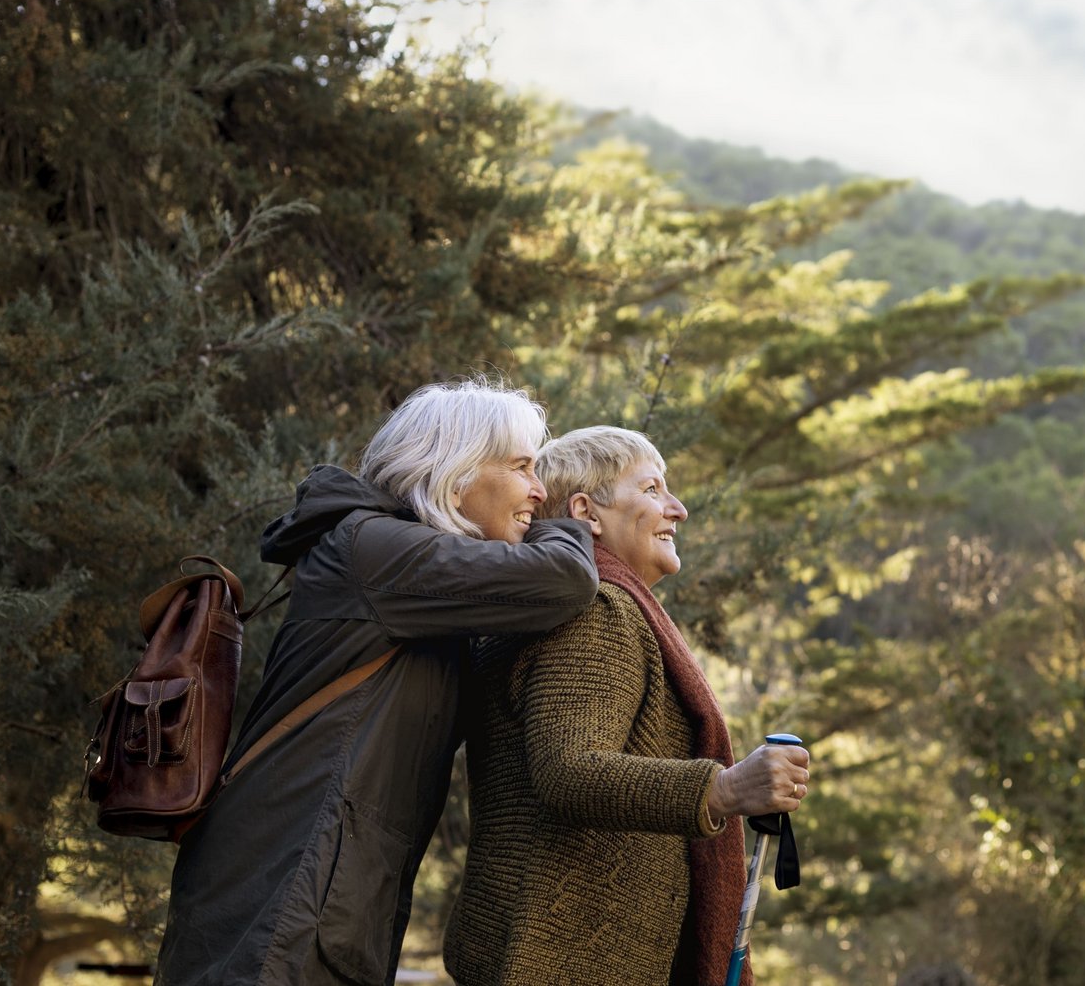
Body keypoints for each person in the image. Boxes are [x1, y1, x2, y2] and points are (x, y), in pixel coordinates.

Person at [155, 379, 599, 986]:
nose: (538, 489)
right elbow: (564, 580)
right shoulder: (373, 549)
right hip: (284, 889)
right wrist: (567, 521)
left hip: (318, 888)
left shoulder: (414, 580)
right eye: (523, 467)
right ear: (457, 471)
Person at [444, 425, 812, 986]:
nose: (679, 509)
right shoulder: (598, 611)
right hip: (564, 960)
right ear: (588, 512)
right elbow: (568, 771)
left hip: (536, 951)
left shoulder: (547, 608)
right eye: (653, 488)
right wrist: (726, 789)